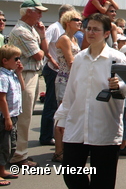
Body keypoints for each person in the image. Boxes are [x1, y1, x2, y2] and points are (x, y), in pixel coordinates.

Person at [54, 13, 126, 189]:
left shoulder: (117, 58)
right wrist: (62, 117)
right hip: (77, 125)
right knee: (71, 172)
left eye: (96, 29)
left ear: (106, 33)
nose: (90, 32)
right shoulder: (79, 58)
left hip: (104, 127)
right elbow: (71, 91)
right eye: (88, 28)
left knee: (103, 178)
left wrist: (119, 86)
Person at [6, 0, 52, 167]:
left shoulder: (29, 30)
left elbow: (44, 52)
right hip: (24, 74)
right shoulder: (21, 31)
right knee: (23, 116)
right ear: (27, 12)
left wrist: (42, 37)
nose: (40, 15)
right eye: (38, 11)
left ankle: (19, 153)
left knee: (25, 115)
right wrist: (40, 43)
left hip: (31, 73)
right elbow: (39, 55)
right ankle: (17, 156)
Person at [51, 10, 83, 163]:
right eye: (76, 19)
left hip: (73, 79)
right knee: (61, 115)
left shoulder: (75, 39)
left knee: (70, 114)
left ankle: (66, 148)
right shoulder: (64, 39)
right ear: (67, 22)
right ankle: (58, 152)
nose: (80, 22)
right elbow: (71, 62)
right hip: (65, 80)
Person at [40, 4, 74, 147]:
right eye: (73, 17)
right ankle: (46, 136)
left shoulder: (68, 34)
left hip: (62, 72)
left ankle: (55, 138)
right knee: (52, 106)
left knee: (58, 107)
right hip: (54, 71)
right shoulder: (54, 28)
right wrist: (52, 60)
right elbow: (44, 44)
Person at [0, 45, 24, 185]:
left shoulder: (12, 74)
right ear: (5, 60)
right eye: (16, 58)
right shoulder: (3, 76)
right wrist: (7, 118)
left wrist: (19, 73)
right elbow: (1, 98)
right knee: (3, 145)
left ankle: (2, 169)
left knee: (11, 145)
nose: (19, 61)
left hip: (13, 115)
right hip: (4, 117)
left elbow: (23, 88)